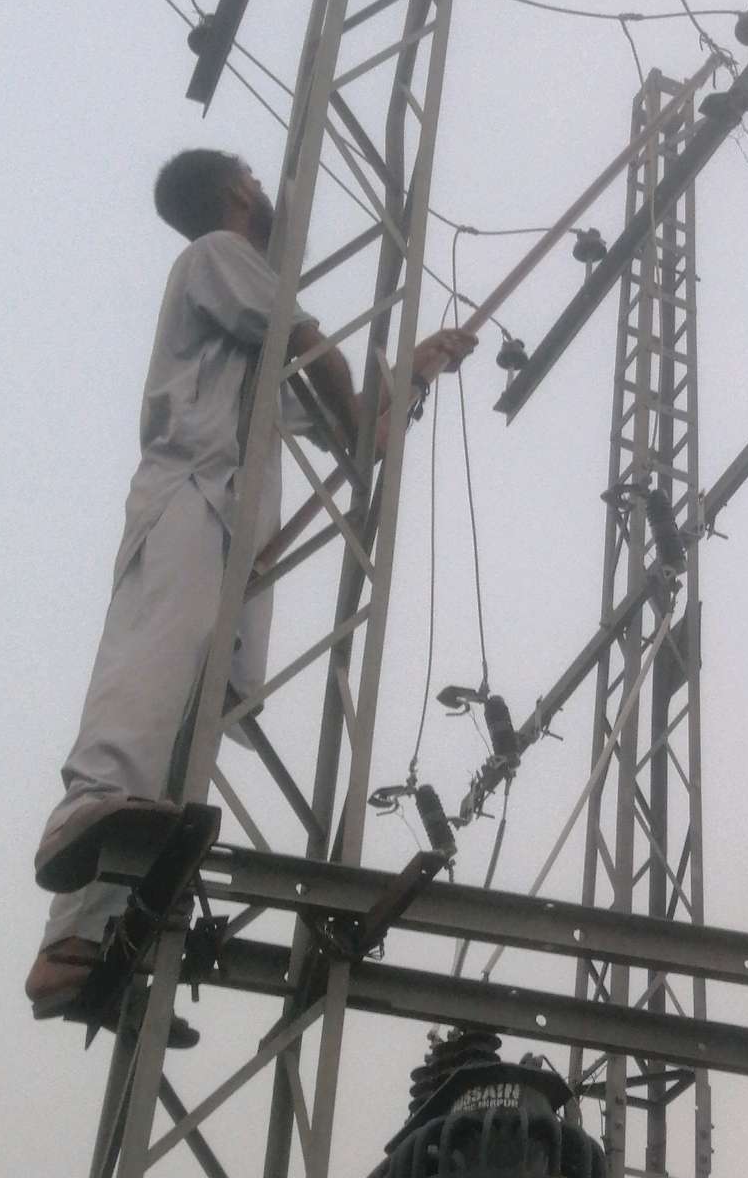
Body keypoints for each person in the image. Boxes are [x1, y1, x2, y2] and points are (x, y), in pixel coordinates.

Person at [25, 149, 476, 1020]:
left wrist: (415, 373)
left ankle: (79, 948)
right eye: (256, 182)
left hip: (235, 536)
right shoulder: (216, 258)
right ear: (236, 191)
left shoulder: (243, 326)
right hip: (190, 498)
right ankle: (82, 812)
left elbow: (352, 427)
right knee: (148, 676)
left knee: (186, 738)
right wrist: (367, 407)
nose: (267, 194)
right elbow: (322, 366)